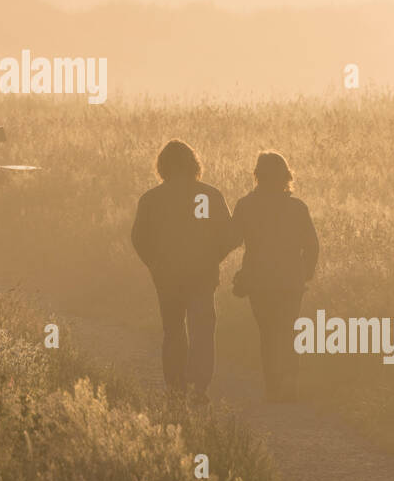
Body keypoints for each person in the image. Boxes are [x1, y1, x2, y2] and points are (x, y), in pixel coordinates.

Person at [130, 140, 237, 402]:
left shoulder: (151, 198)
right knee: (202, 331)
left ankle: (175, 388)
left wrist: (154, 264)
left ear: (162, 166)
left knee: (174, 331)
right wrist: (214, 258)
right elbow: (230, 235)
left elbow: (139, 238)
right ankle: (199, 389)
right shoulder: (210, 195)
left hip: (167, 276)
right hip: (202, 274)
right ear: (194, 164)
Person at [230, 151, 319, 402]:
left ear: (257, 175)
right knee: (289, 329)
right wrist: (305, 273)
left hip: (259, 281)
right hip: (291, 281)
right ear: (285, 176)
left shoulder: (245, 205)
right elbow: (312, 246)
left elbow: (232, 239)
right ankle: (290, 383)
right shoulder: (297, 207)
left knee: (268, 332)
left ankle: (273, 386)